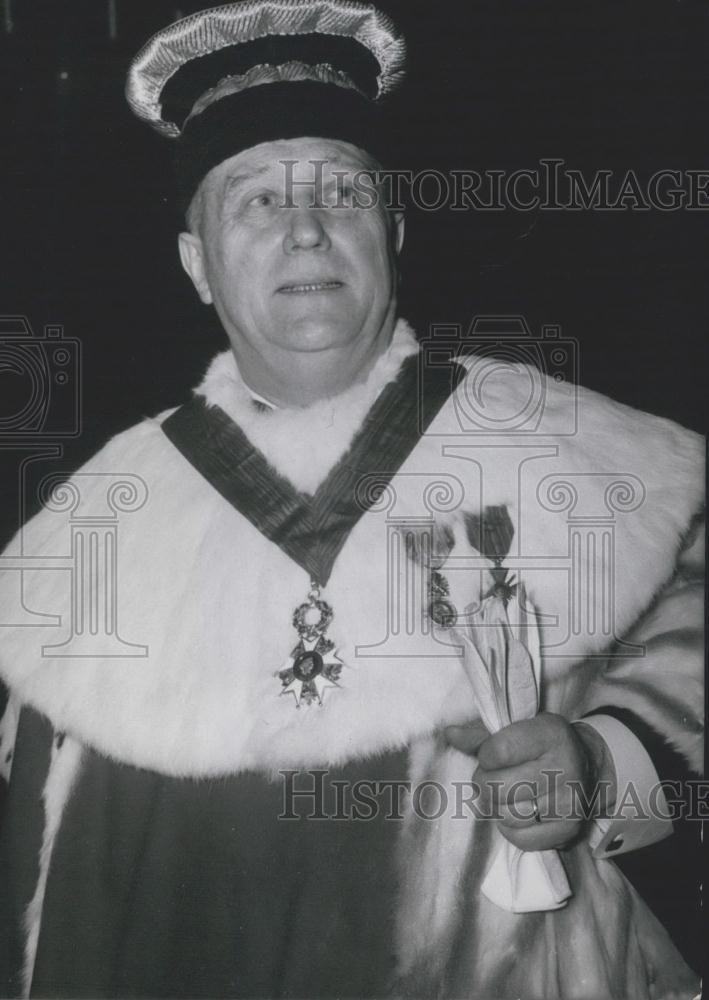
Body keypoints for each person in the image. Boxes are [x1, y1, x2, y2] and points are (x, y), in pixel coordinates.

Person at [0, 2, 703, 997]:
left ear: (394, 231)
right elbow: (34, 876)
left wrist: (596, 764)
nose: (305, 229)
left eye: (342, 192)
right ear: (197, 265)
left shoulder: (596, 463)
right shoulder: (90, 530)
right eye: (253, 201)